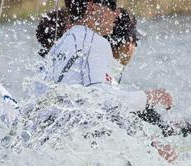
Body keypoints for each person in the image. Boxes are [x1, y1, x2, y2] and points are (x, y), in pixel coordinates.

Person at [44, 0, 172, 112]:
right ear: (92, 6)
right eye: (112, 4)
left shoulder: (59, 45)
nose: (116, 13)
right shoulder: (94, 41)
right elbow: (102, 101)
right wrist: (150, 97)